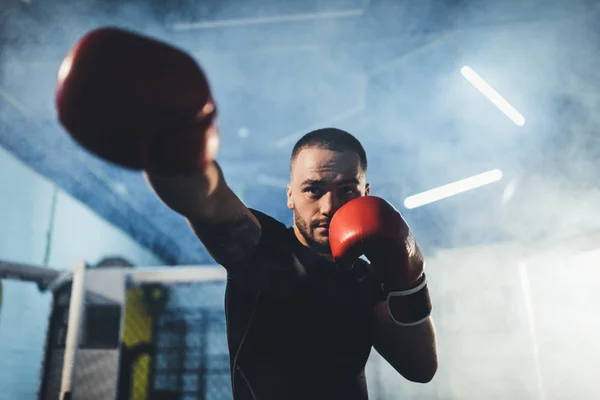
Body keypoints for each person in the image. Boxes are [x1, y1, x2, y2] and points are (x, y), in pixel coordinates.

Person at [55, 27, 438, 400]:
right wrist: (171, 145)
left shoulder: (369, 277)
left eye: (347, 191)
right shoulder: (265, 250)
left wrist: (408, 278)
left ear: (366, 194)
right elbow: (206, 202)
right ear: (290, 196)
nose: (329, 206)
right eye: (313, 190)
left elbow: (421, 369)